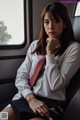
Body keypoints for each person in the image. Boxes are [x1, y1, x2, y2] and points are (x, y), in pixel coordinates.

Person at [1, 2, 80, 120]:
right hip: (26, 99)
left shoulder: (73, 48)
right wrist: (31, 98)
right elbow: (21, 75)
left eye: (56, 21)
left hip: (50, 104)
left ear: (64, 24)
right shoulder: (34, 45)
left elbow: (55, 85)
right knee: (2, 116)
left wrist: (50, 53)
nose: (50, 27)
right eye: (46, 22)